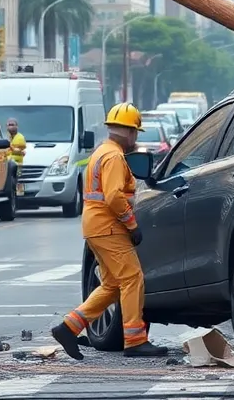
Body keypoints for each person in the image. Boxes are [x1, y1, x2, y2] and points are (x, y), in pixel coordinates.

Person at [50, 102, 163, 359]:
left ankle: (69, 327)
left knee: (113, 283)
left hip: (96, 226)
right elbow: (113, 197)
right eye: (136, 133)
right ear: (130, 132)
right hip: (109, 226)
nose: (136, 139)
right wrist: (132, 224)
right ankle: (135, 340)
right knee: (133, 278)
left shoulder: (102, 151)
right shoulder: (113, 157)